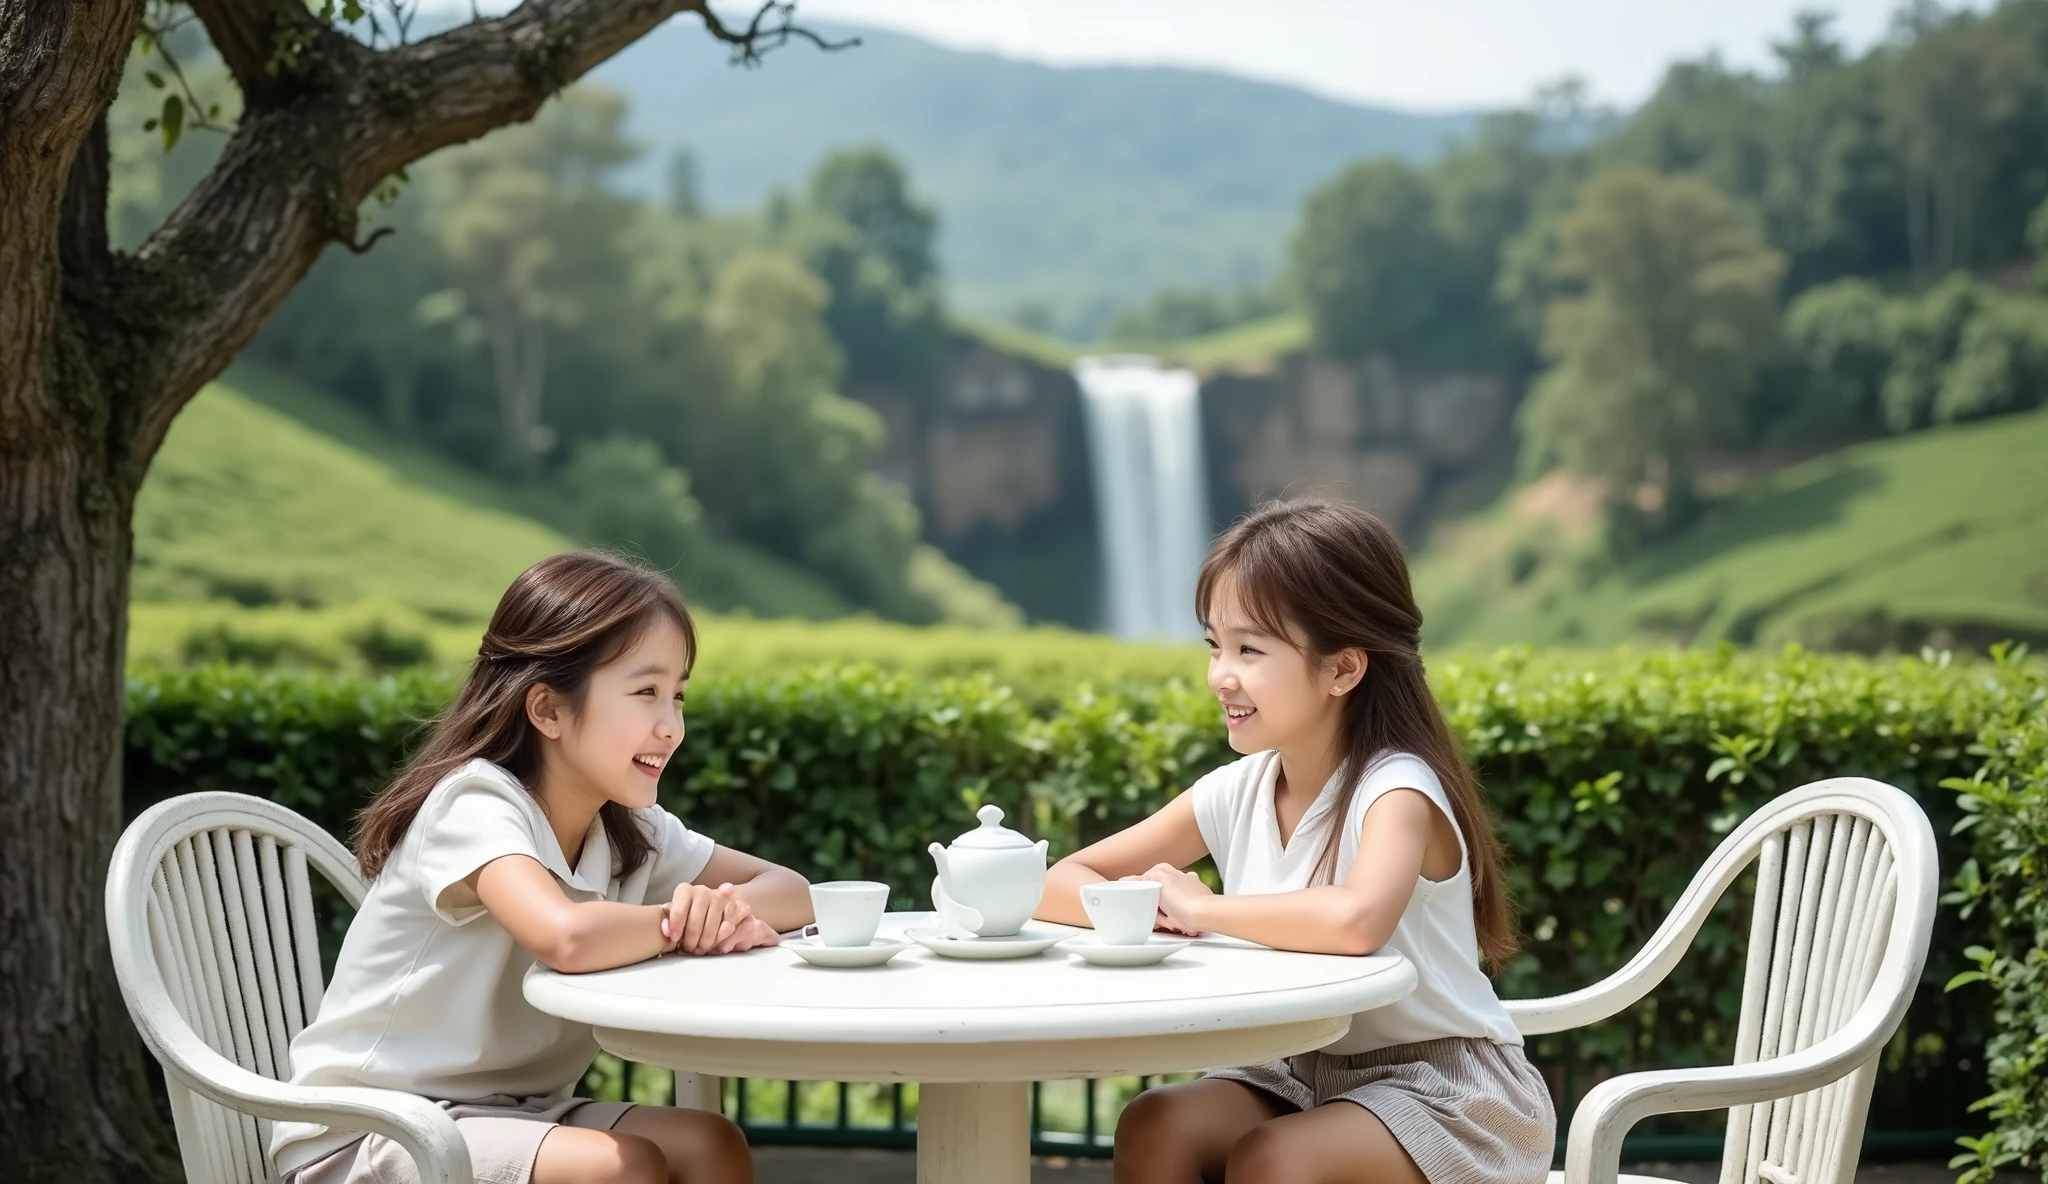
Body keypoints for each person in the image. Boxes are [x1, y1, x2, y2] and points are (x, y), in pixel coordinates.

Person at [1037, 498, 1554, 1184]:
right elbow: (1058, 881)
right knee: (1155, 1122)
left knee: (1273, 1158)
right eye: (1214, 646)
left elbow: (1356, 919)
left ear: (1342, 669)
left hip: (1442, 1088)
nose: (1222, 674)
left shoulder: (1396, 789)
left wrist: (1203, 909)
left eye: (1250, 649)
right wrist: (1146, 905)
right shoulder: (1237, 790)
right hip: (1294, 1068)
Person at [273, 552, 813, 1184]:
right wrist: (678, 922)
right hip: (376, 1129)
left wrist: (721, 910)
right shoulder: (475, 804)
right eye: (646, 693)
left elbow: (793, 892)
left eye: (678, 697)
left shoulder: (627, 824)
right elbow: (564, 936)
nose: (671, 727)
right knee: (624, 1168)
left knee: (711, 1144)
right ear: (548, 710)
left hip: (519, 1114)